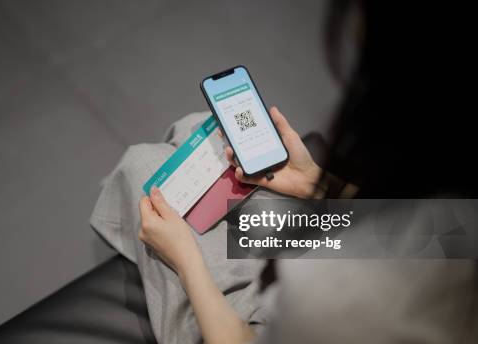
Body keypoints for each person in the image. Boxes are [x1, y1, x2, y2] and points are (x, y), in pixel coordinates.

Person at [91, 1, 478, 343]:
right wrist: (313, 182)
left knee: (142, 165)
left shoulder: (342, 296)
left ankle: (135, 226)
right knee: (202, 131)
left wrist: (186, 259)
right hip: (351, 263)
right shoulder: (459, 211)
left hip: (264, 325)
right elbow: (435, 230)